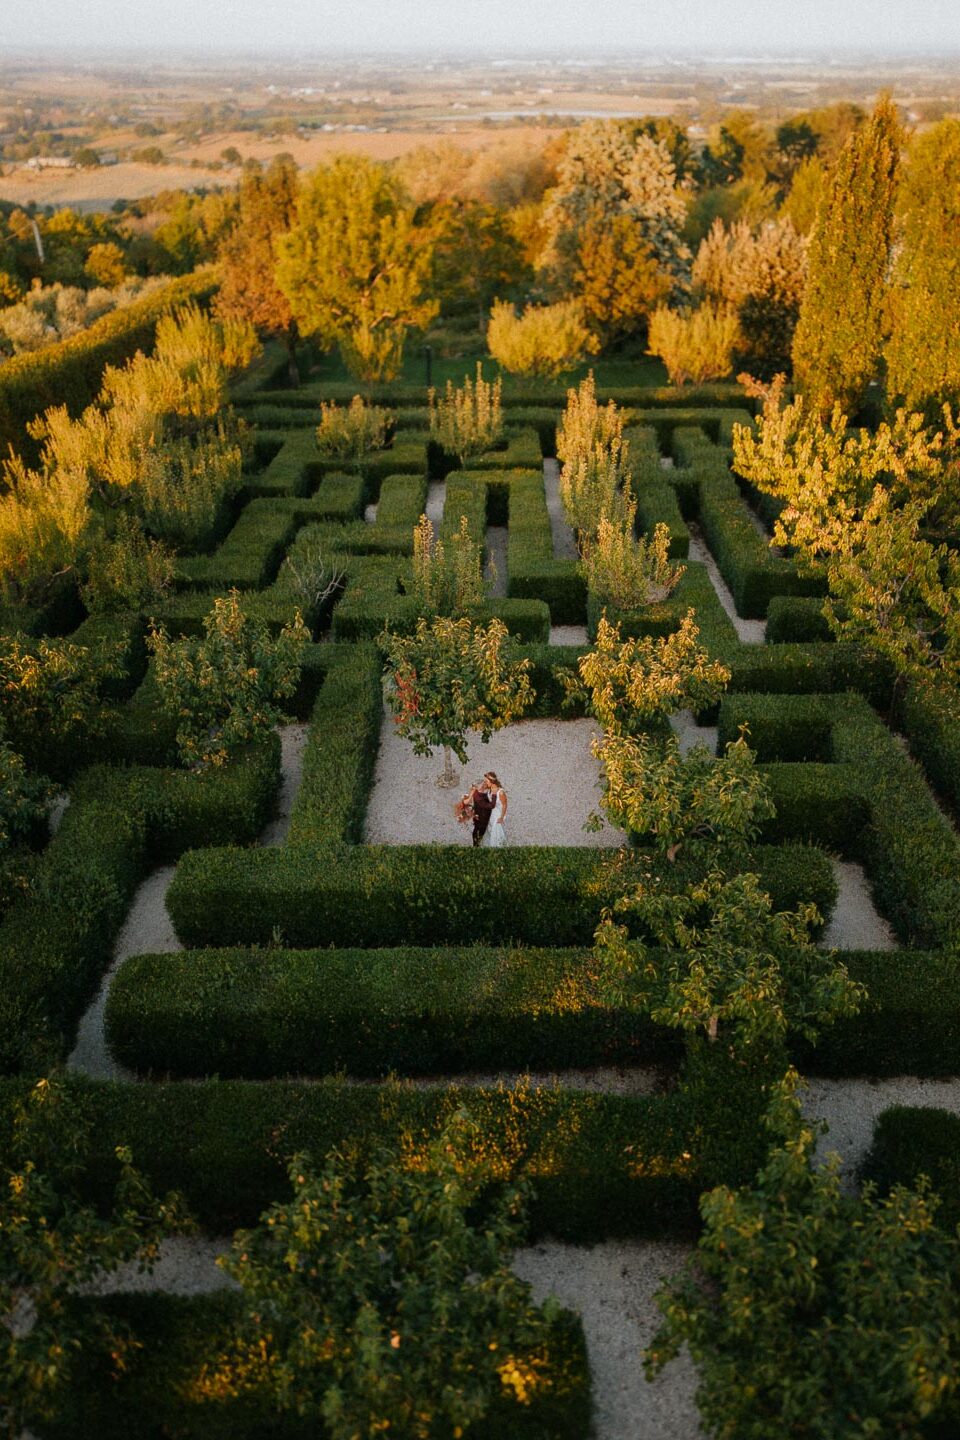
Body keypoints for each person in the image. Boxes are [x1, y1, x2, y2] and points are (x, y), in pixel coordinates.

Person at [481, 772, 507, 848]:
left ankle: (497, 846)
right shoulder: (490, 789)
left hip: (497, 814)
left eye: (486, 781)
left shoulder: (500, 793)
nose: (485, 783)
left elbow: (505, 804)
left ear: (492, 782)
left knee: (495, 831)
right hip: (490, 812)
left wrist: (501, 817)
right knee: (489, 828)